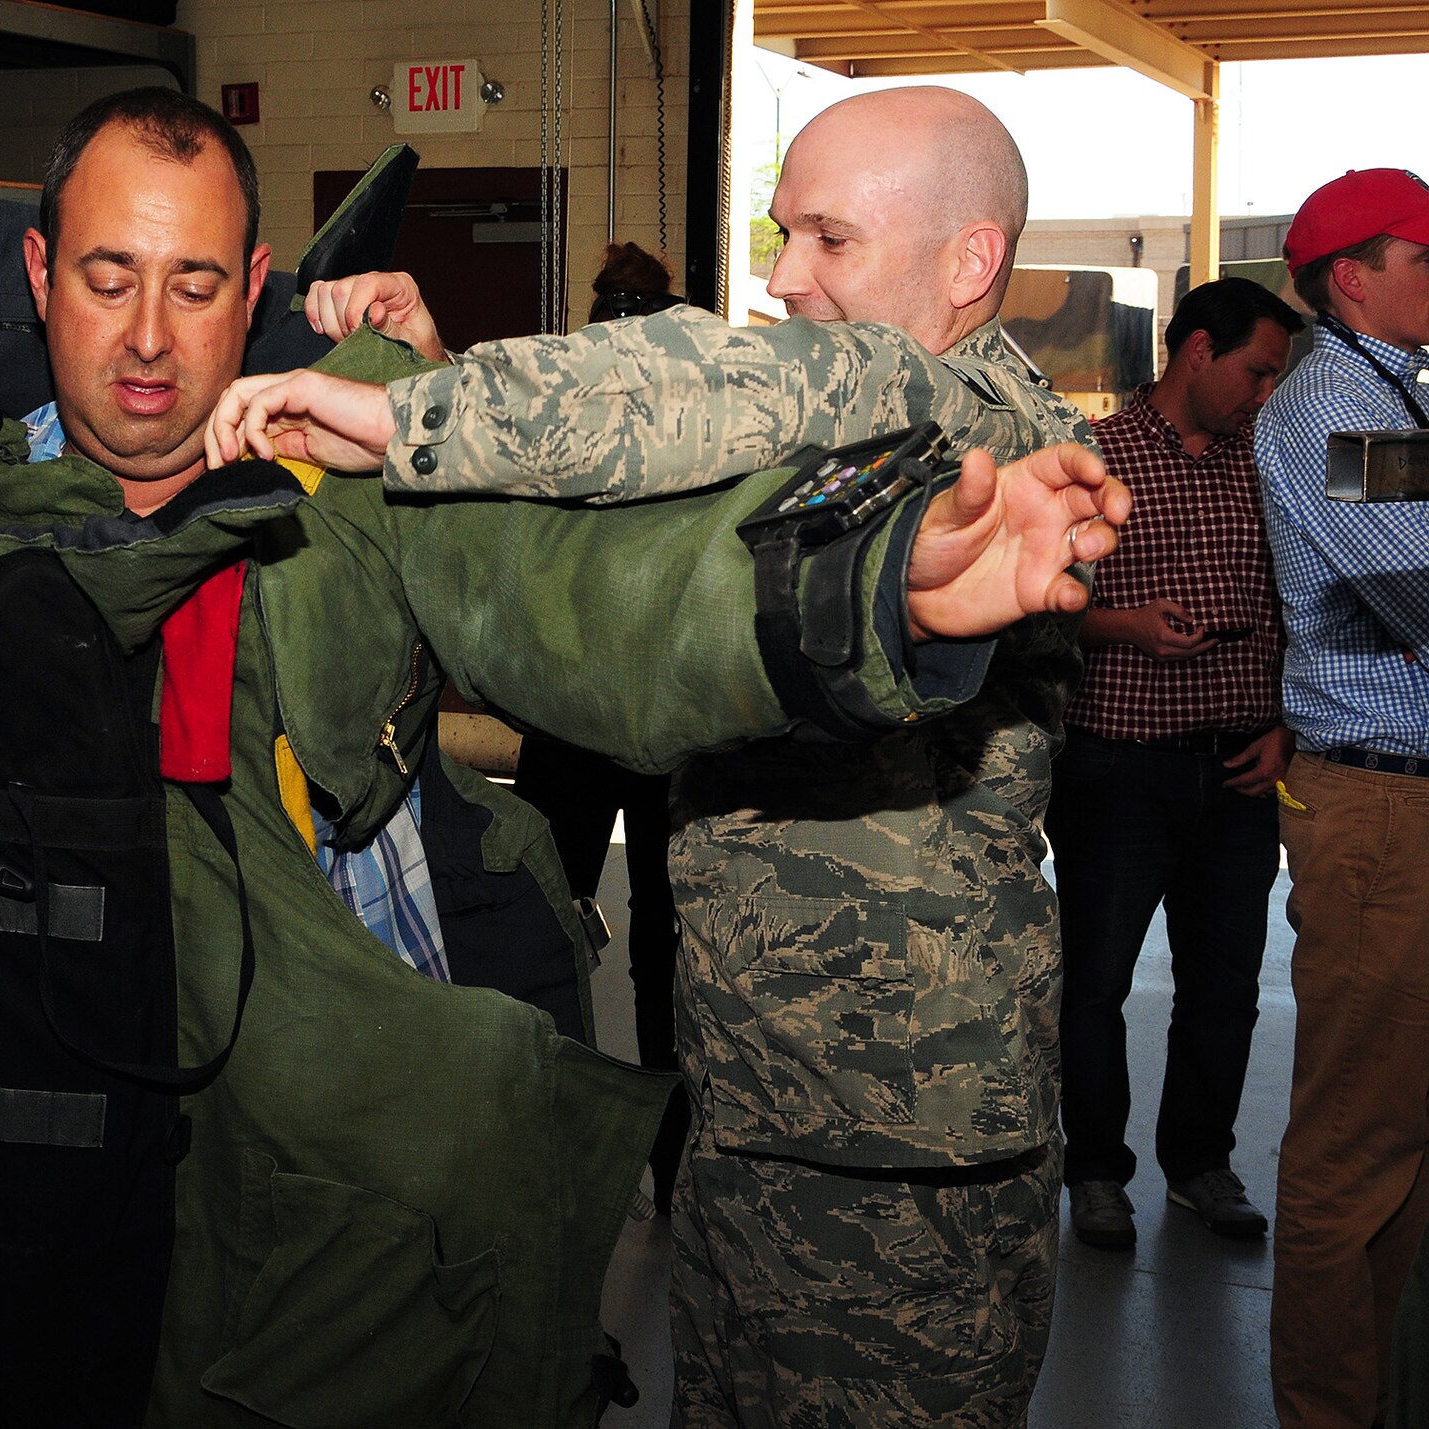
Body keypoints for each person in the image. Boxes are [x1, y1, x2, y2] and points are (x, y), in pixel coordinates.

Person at [0, 88, 1119, 1428]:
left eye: (194, 285)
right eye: (109, 276)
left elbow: (595, 595)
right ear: (41, 276)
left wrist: (859, 594)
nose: (145, 336)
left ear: (250, 286)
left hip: (320, 1240)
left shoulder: (343, 490)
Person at [214, 84, 1108, 1427]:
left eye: (831, 241)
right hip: (751, 1116)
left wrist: (425, 414)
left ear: (968, 263)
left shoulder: (977, 423)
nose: (787, 279)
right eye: (781, 236)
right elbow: (633, 550)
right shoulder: (853, 445)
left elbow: (722, 379)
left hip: (901, 1161)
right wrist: (429, 368)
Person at [1048, 277, 1302, 1251]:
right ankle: (1095, 1174)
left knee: (1223, 987)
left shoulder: (1267, 461)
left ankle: (1198, 1162)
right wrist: (1124, 626)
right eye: (1253, 370)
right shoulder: (1090, 458)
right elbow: (1035, 604)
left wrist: (1282, 729)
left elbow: (1299, 609)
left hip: (1238, 770)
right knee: (1096, 982)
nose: (1262, 393)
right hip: (1116, 767)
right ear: (1194, 350)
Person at [1255, 166, 1429, 1429]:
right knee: (1353, 1144)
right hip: (1379, 813)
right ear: (1352, 278)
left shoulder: (1389, 395)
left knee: (1400, 1136)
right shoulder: (1333, 406)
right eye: (1422, 257)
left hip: (1400, 802)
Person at [512, 241, 687, 1215]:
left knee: (571, 932)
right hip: (617, 717)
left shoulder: (566, 416)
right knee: (579, 931)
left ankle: (571, 1148)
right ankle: (644, 1163)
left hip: (599, 715)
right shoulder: (675, 422)